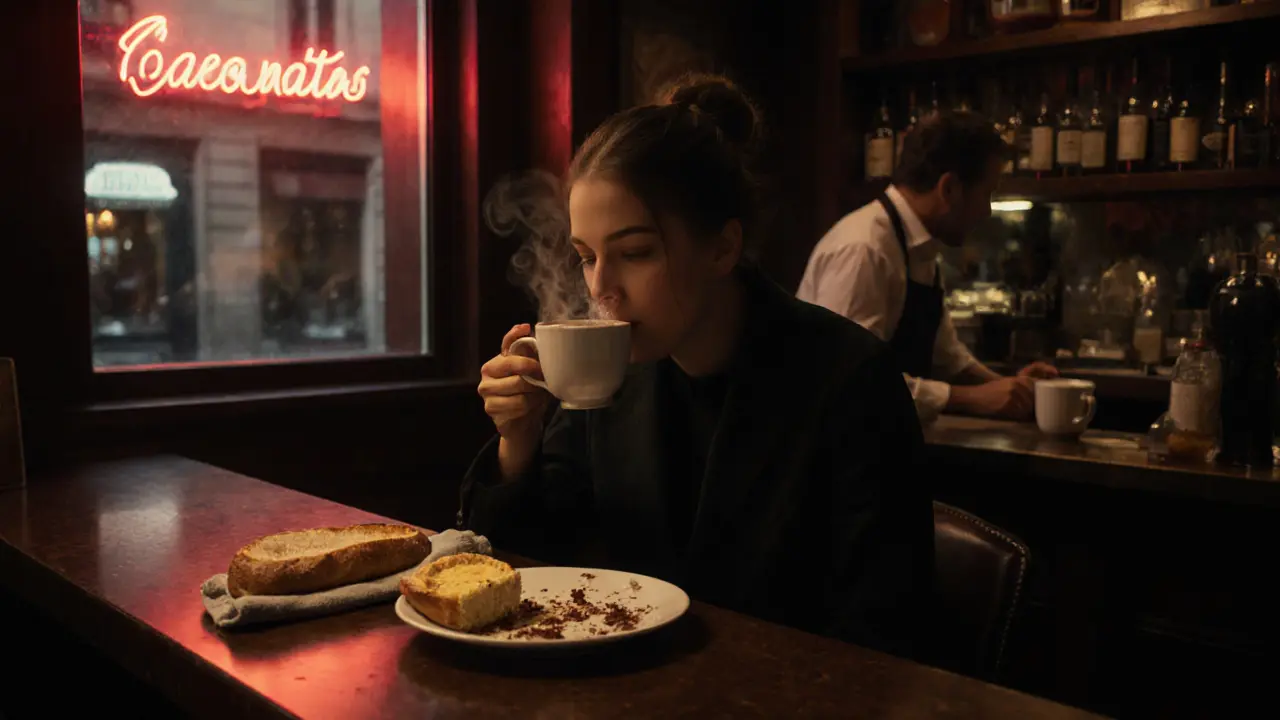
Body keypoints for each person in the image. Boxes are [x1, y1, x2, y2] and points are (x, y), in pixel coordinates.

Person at [459, 74, 934, 660]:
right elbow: (528, 573)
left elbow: (884, 628)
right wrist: (518, 442)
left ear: (722, 248)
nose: (602, 289)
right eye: (586, 257)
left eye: (635, 253)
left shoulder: (846, 378)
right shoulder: (613, 372)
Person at [796, 111, 1058, 425]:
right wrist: (972, 398)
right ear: (949, 189)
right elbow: (850, 383)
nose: (987, 211)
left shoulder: (919, 247)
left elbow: (946, 356)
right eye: (986, 194)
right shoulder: (865, 249)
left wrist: (1010, 387)